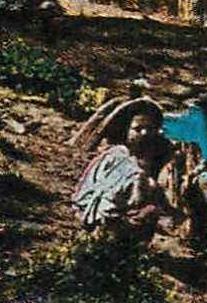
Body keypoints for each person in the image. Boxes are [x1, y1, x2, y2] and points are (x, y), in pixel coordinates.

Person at [71, 98, 175, 246]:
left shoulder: (159, 161)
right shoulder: (113, 157)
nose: (144, 133)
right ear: (127, 130)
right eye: (138, 129)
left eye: (150, 128)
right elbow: (84, 193)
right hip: (99, 221)